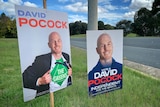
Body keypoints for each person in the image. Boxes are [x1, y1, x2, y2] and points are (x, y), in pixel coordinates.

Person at [23, 31, 72, 96]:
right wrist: (40, 81)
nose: (56, 44)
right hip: (48, 97)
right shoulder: (41, 60)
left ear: (62, 42)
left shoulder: (66, 56)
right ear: (49, 45)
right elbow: (24, 78)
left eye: (58, 40)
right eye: (53, 41)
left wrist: (70, 73)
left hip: (64, 94)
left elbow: (69, 72)